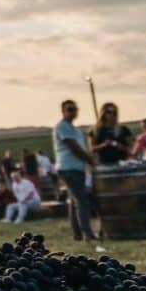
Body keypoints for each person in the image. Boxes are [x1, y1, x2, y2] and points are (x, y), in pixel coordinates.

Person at [53, 99, 97, 242]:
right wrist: (90, 160)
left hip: (76, 168)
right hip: (68, 168)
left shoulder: (75, 129)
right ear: (63, 111)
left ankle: (77, 233)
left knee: (74, 202)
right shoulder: (62, 127)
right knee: (82, 200)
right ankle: (87, 233)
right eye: (69, 109)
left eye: (74, 109)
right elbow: (74, 148)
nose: (73, 111)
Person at [90, 102, 134, 167]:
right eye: (109, 112)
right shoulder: (96, 130)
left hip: (122, 164)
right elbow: (92, 149)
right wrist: (103, 145)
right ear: (103, 113)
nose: (112, 114)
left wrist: (120, 146)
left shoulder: (124, 129)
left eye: (114, 112)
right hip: (104, 164)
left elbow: (131, 149)